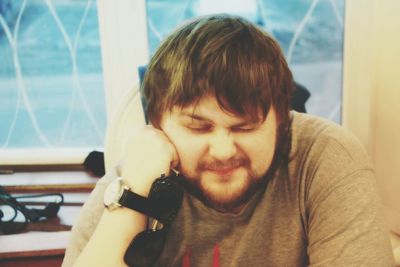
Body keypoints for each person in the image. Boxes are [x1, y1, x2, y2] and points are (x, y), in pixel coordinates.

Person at [63, 15, 395, 266]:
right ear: (157, 126)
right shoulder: (134, 178)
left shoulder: (324, 157)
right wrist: (134, 199)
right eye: (198, 127)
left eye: (245, 127)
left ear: (282, 121)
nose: (223, 151)